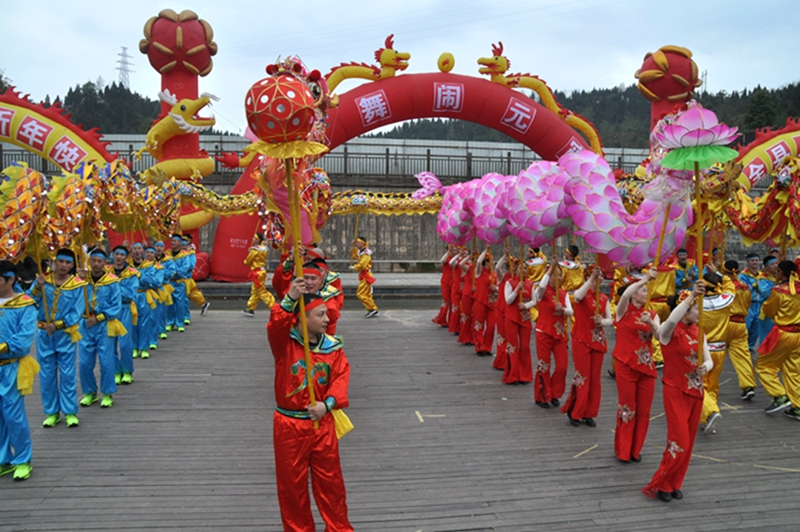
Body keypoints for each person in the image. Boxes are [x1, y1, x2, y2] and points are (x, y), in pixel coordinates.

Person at [267, 277, 353, 531]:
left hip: (322, 423)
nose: (327, 319)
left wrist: (327, 405)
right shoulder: (284, 345)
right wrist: (290, 298)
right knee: (291, 486)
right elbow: (276, 324)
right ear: (302, 319)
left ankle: (338, 528)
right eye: (320, 314)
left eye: (327, 313)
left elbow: (340, 376)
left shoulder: (333, 348)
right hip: (289, 425)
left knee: (331, 482)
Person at [643, 282, 712, 502]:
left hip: (696, 392)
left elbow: (708, 359)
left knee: (688, 442)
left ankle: (675, 483)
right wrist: (691, 295)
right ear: (686, 309)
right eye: (696, 308)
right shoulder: (668, 332)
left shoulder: (699, 332)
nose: (699, 312)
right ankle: (662, 483)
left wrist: (705, 367)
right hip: (675, 390)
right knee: (678, 440)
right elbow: (672, 319)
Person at [30, 249, 85, 428]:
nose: (63, 265)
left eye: (67, 262)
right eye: (60, 261)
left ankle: (70, 411)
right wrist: (36, 287)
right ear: (54, 262)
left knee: (68, 374)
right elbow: (29, 301)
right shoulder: (43, 280)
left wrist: (59, 324)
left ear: (72, 265)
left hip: (65, 334)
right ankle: (51, 412)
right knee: (47, 374)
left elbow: (77, 311)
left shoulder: (77, 284)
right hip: (44, 334)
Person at [612, 269, 660, 463]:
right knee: (627, 408)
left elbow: (660, 336)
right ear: (633, 293)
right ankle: (623, 450)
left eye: (647, 290)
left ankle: (636, 449)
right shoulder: (623, 310)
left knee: (644, 411)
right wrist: (645, 278)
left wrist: (652, 324)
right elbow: (624, 295)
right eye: (642, 290)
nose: (645, 292)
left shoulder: (652, 314)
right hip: (626, 365)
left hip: (646, 368)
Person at [0, 261, 39, 480]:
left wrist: (3, 347)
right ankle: (3, 459)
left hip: (12, 367)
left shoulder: (25, 304)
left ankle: (23, 459)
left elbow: (24, 340)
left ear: (11, 279)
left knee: (13, 415)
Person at [562, 265, 612, 427]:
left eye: (600, 276)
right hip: (581, 339)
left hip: (597, 340)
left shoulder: (604, 298)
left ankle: (589, 412)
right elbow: (577, 296)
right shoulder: (582, 294)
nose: (598, 278)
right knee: (582, 375)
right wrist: (591, 280)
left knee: (595, 378)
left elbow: (610, 319)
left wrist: (602, 322)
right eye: (595, 275)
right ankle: (576, 410)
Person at [78, 249, 125, 409]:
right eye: (93, 261)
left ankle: (107, 392)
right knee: (84, 362)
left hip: (104, 325)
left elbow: (116, 305)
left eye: (99, 261)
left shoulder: (111, 281)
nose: (96, 264)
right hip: (85, 325)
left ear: (105, 263)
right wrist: (79, 280)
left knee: (106, 361)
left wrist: (98, 318)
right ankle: (89, 392)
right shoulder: (83, 280)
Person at [756, 260, 800, 418]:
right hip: (798, 334)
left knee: (764, 365)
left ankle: (779, 395)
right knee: (794, 370)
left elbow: (769, 310)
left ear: (781, 273)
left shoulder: (779, 291)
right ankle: (798, 406)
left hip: (783, 333)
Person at [697, 268, 734, 433]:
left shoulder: (696, 303)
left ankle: (710, 412)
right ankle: (708, 418)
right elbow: (730, 284)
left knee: (698, 384)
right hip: (720, 349)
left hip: (702, 350)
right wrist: (719, 272)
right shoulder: (726, 299)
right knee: (712, 384)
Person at [533, 259, 573, 405]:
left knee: (562, 366)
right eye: (554, 275)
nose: (558, 278)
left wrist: (562, 309)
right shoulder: (542, 292)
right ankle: (543, 395)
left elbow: (570, 311)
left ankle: (554, 393)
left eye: (560, 275)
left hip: (559, 334)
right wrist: (550, 269)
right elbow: (541, 288)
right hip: (543, 332)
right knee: (544, 365)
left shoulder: (564, 293)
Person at [722, 260, 758, 401]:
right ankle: (748, 386)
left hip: (724, 323)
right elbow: (748, 304)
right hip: (741, 324)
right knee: (743, 356)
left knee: (713, 354)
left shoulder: (724, 287)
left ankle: (707, 386)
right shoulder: (745, 287)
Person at [110, 246, 139, 385]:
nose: (119, 257)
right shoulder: (105, 273)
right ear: (112, 255)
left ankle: (127, 370)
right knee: (110, 344)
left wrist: (114, 286)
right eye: (116, 254)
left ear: (126, 257)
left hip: (125, 308)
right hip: (109, 310)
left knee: (125, 343)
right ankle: (116, 371)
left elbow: (130, 293)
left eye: (122, 255)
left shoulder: (132, 273)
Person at [503, 259, 536, 384]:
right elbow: (508, 300)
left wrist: (526, 306)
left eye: (525, 268)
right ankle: (513, 375)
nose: (523, 270)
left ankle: (524, 375)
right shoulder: (509, 282)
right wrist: (517, 289)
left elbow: (534, 301)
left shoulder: (530, 284)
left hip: (525, 318)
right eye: (521, 268)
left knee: (525, 347)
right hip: (512, 317)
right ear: (516, 270)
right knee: (513, 346)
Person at [134, 247, 165, 359]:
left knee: (151, 319)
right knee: (133, 322)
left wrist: (140, 276)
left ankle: (149, 343)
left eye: (152, 252)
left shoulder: (155, 267)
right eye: (147, 252)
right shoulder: (129, 266)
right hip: (133, 296)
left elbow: (155, 282)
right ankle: (134, 347)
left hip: (149, 295)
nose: (149, 254)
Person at [242, 233, 275, 317]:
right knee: (255, 290)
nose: (252, 239)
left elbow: (247, 262)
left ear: (257, 240)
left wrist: (249, 252)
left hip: (257, 273)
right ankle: (251, 308)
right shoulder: (264, 249)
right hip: (262, 272)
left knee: (261, 291)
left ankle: (273, 306)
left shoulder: (254, 250)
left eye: (254, 238)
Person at [472, 248, 496, 356]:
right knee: (479, 325)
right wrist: (486, 250)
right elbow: (478, 262)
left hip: (492, 303)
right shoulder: (479, 272)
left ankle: (487, 347)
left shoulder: (494, 274)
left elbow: (499, 288)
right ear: (486, 262)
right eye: (491, 261)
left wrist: (496, 288)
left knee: (491, 327)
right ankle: (479, 347)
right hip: (480, 301)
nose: (493, 263)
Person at [738, 252, 763, 354]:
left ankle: (750, 346)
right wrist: (754, 285)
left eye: (756, 260)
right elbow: (743, 288)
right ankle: (741, 346)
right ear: (748, 262)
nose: (755, 262)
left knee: (756, 328)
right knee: (746, 326)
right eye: (752, 260)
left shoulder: (761, 275)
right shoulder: (743, 275)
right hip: (748, 304)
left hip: (759, 304)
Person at [181, 234, 210, 318]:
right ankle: (203, 303)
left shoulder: (190, 252)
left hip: (186, 276)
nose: (184, 243)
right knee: (192, 292)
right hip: (182, 277)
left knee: (190, 292)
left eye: (186, 241)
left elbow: (191, 264)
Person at [167, 234, 192, 332]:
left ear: (180, 242)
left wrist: (174, 272)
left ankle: (180, 323)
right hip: (169, 282)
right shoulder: (167, 254)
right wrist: (168, 273)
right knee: (169, 303)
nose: (173, 242)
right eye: (172, 241)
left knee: (180, 303)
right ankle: (170, 322)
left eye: (175, 241)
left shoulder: (184, 255)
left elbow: (185, 267)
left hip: (179, 282)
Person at [351, 237, 378, 318]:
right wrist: (353, 247)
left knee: (360, 293)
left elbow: (362, 265)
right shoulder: (362, 252)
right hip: (364, 275)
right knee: (367, 294)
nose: (357, 244)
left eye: (358, 242)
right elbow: (356, 255)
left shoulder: (365, 254)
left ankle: (372, 308)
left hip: (366, 275)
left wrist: (354, 267)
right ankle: (372, 308)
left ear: (363, 243)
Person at [755, 255, 779, 349]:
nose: (776, 266)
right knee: (767, 335)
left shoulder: (780, 277)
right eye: (772, 264)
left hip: (779, 310)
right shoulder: (763, 279)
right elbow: (767, 293)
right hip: (767, 310)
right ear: (766, 267)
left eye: (776, 263)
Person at [154, 241, 175, 341]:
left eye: (161, 246)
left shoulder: (169, 260)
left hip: (163, 287)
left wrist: (160, 272)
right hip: (152, 289)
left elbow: (171, 273)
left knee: (162, 310)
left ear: (164, 248)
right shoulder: (149, 260)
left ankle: (162, 330)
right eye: (157, 246)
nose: (159, 248)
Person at [432, 245, 456, 327]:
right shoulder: (447, 258)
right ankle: (442, 319)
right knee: (446, 301)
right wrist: (448, 252)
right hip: (446, 282)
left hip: (454, 282)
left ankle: (451, 321)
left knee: (453, 302)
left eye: (455, 250)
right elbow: (442, 260)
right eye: (452, 250)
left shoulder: (457, 258)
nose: (454, 251)